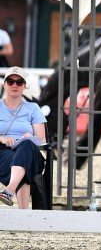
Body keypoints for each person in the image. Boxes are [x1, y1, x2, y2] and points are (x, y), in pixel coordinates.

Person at [0, 67, 46, 208]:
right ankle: (23, 213)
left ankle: (9, 190)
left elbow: (41, 141)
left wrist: (30, 137)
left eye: (19, 82)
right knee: (22, 164)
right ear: (4, 84)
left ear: (25, 86)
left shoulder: (33, 108)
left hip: (29, 150)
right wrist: (2, 138)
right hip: (3, 150)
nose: (14, 85)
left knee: (27, 147)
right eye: (10, 81)